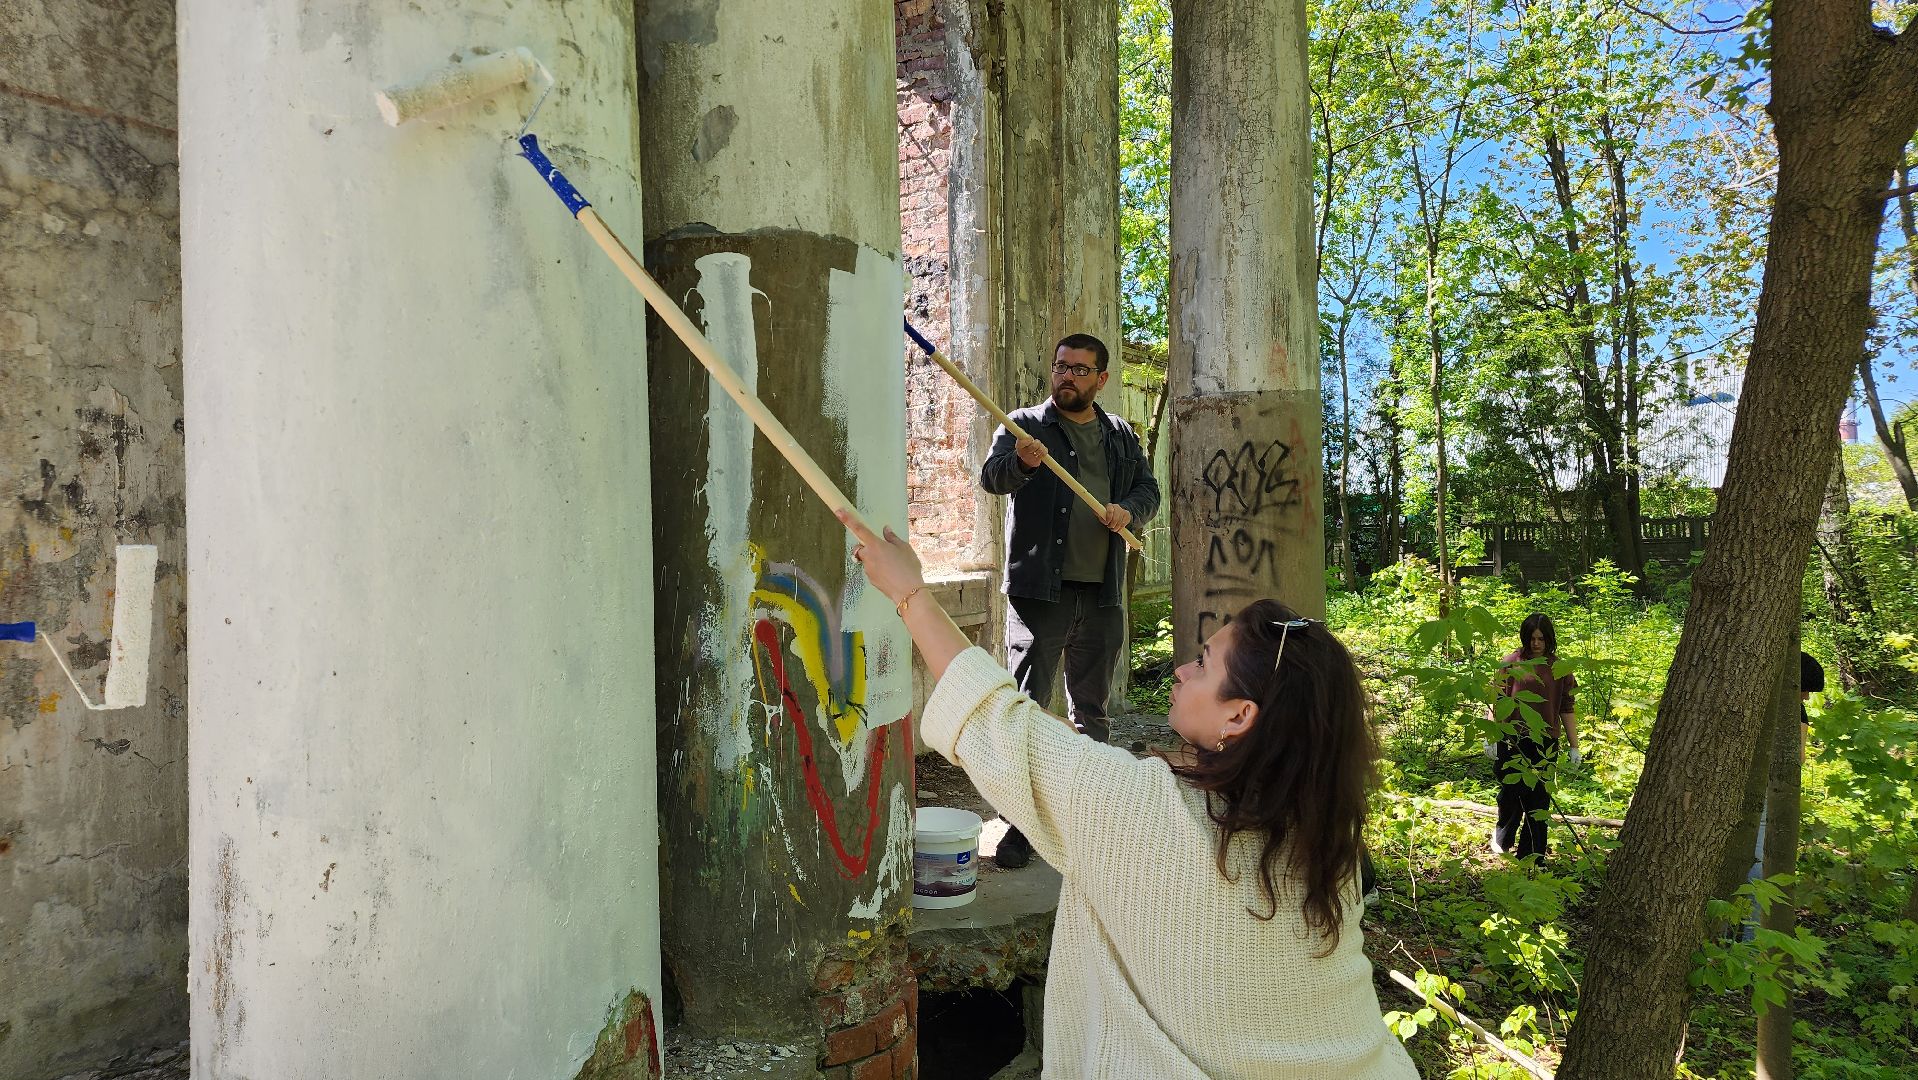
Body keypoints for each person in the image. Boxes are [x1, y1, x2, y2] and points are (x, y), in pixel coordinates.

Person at [840, 509, 1418, 1080]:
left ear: (1240, 715)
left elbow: (993, 719)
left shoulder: (1142, 811)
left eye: (1203, 664)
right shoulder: (1325, 838)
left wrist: (909, 593)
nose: (1182, 671)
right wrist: (1075, 760)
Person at [978, 332, 1159, 868]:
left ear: (1101, 378)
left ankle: (1091, 817)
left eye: (1080, 369)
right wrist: (1023, 465)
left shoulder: (1120, 436)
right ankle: (1021, 825)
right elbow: (992, 478)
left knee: (1091, 712)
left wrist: (1129, 511)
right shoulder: (1025, 426)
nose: (1067, 377)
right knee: (1027, 710)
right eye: (1061, 366)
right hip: (1040, 594)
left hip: (1101, 593)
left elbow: (1147, 490)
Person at [1491, 613, 1578, 860]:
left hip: (1545, 741)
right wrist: (1491, 735)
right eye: (1531, 638)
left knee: (1539, 799)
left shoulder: (1560, 669)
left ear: (1549, 639)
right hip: (1512, 738)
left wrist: (1574, 746)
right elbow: (1496, 699)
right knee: (1511, 793)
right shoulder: (1511, 663)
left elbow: (1567, 707)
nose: (1536, 643)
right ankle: (1503, 837)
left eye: (1541, 638)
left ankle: (1532, 855)